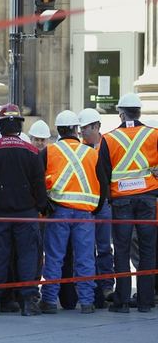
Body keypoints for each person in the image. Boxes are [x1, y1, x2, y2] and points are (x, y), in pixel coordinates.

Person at [0, 103, 48, 316]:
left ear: (0, 126)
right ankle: (28, 302)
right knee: (27, 256)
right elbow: (39, 185)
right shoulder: (31, 152)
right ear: (19, 126)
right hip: (26, 213)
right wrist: (41, 206)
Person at [38, 110, 108, 314]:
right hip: (85, 214)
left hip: (59, 211)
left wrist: (45, 205)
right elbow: (103, 185)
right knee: (85, 258)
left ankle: (49, 301)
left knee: (54, 257)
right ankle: (87, 302)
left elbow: (38, 181)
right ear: (76, 129)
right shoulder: (90, 153)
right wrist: (94, 208)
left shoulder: (49, 151)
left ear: (58, 130)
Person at [98, 93, 158, 313]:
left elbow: (103, 174)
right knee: (148, 250)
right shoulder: (154, 135)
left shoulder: (109, 138)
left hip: (121, 201)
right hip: (148, 198)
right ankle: (145, 301)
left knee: (121, 250)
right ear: (139, 112)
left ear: (121, 113)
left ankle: (122, 301)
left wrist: (108, 199)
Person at [78, 107, 114, 304]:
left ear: (97, 126)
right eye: (81, 129)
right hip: (86, 205)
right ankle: (90, 287)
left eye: (86, 128)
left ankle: (107, 285)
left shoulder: (108, 144)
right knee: (86, 249)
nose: (83, 132)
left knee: (104, 247)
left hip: (104, 204)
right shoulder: (80, 148)